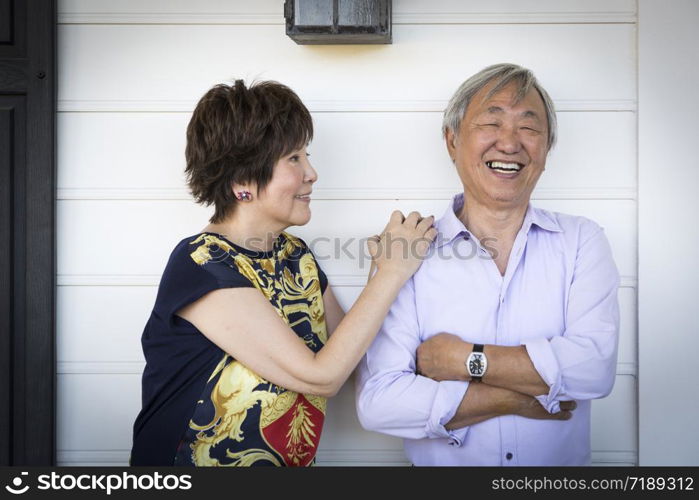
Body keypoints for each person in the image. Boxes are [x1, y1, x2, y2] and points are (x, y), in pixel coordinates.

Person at [129, 80, 436, 466]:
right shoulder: (202, 264)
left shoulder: (295, 255)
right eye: (294, 158)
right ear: (242, 182)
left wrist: (380, 272)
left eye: (306, 156)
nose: (312, 173)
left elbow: (351, 355)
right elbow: (321, 376)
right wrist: (392, 274)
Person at [355, 63, 620, 466]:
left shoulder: (582, 241)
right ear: (451, 141)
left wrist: (462, 359)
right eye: (491, 123)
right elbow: (381, 402)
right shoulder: (408, 250)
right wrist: (512, 396)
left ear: (546, 149)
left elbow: (593, 369)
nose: (510, 143)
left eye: (529, 128)